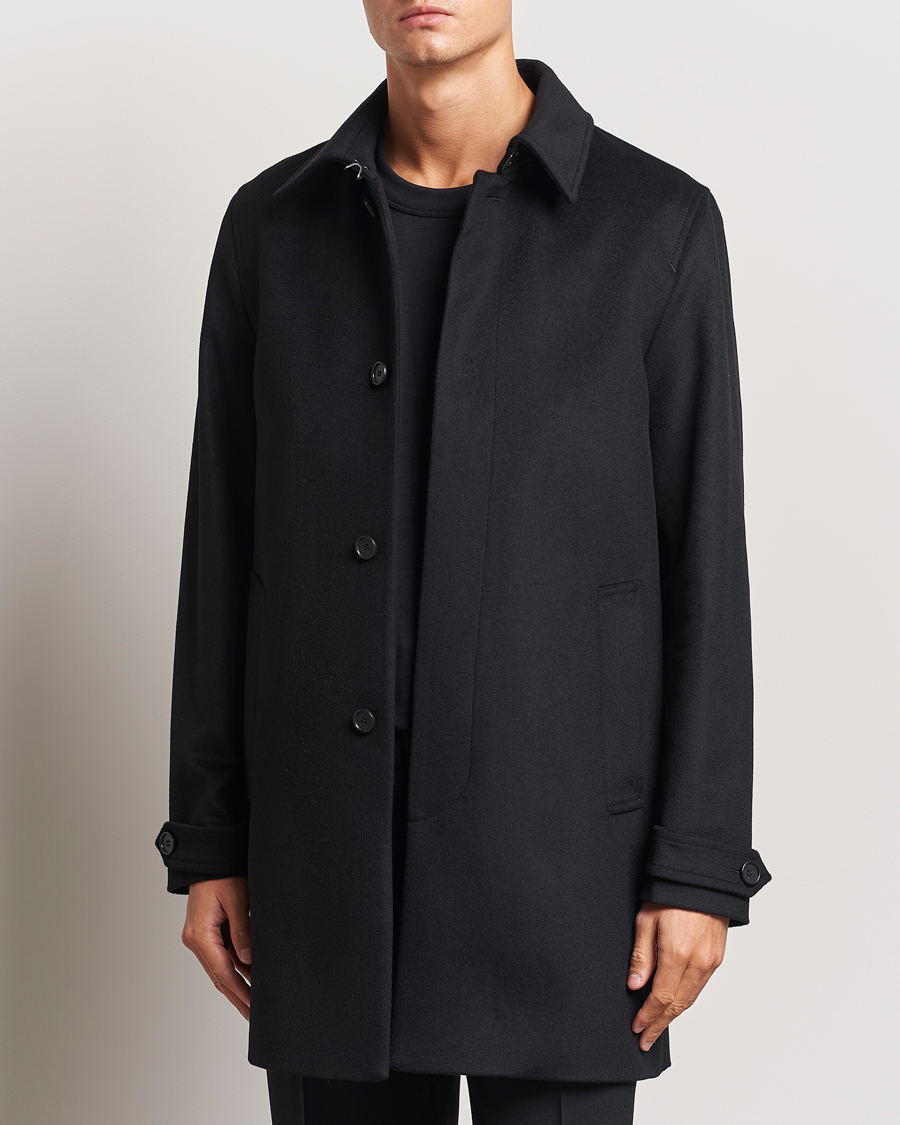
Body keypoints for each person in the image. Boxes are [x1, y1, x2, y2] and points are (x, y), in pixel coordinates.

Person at [154, 2, 772, 1122]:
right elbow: (224, 551)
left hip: (568, 881)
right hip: (326, 869)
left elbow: (705, 569)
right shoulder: (272, 228)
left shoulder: (655, 225)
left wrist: (698, 864)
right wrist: (210, 840)